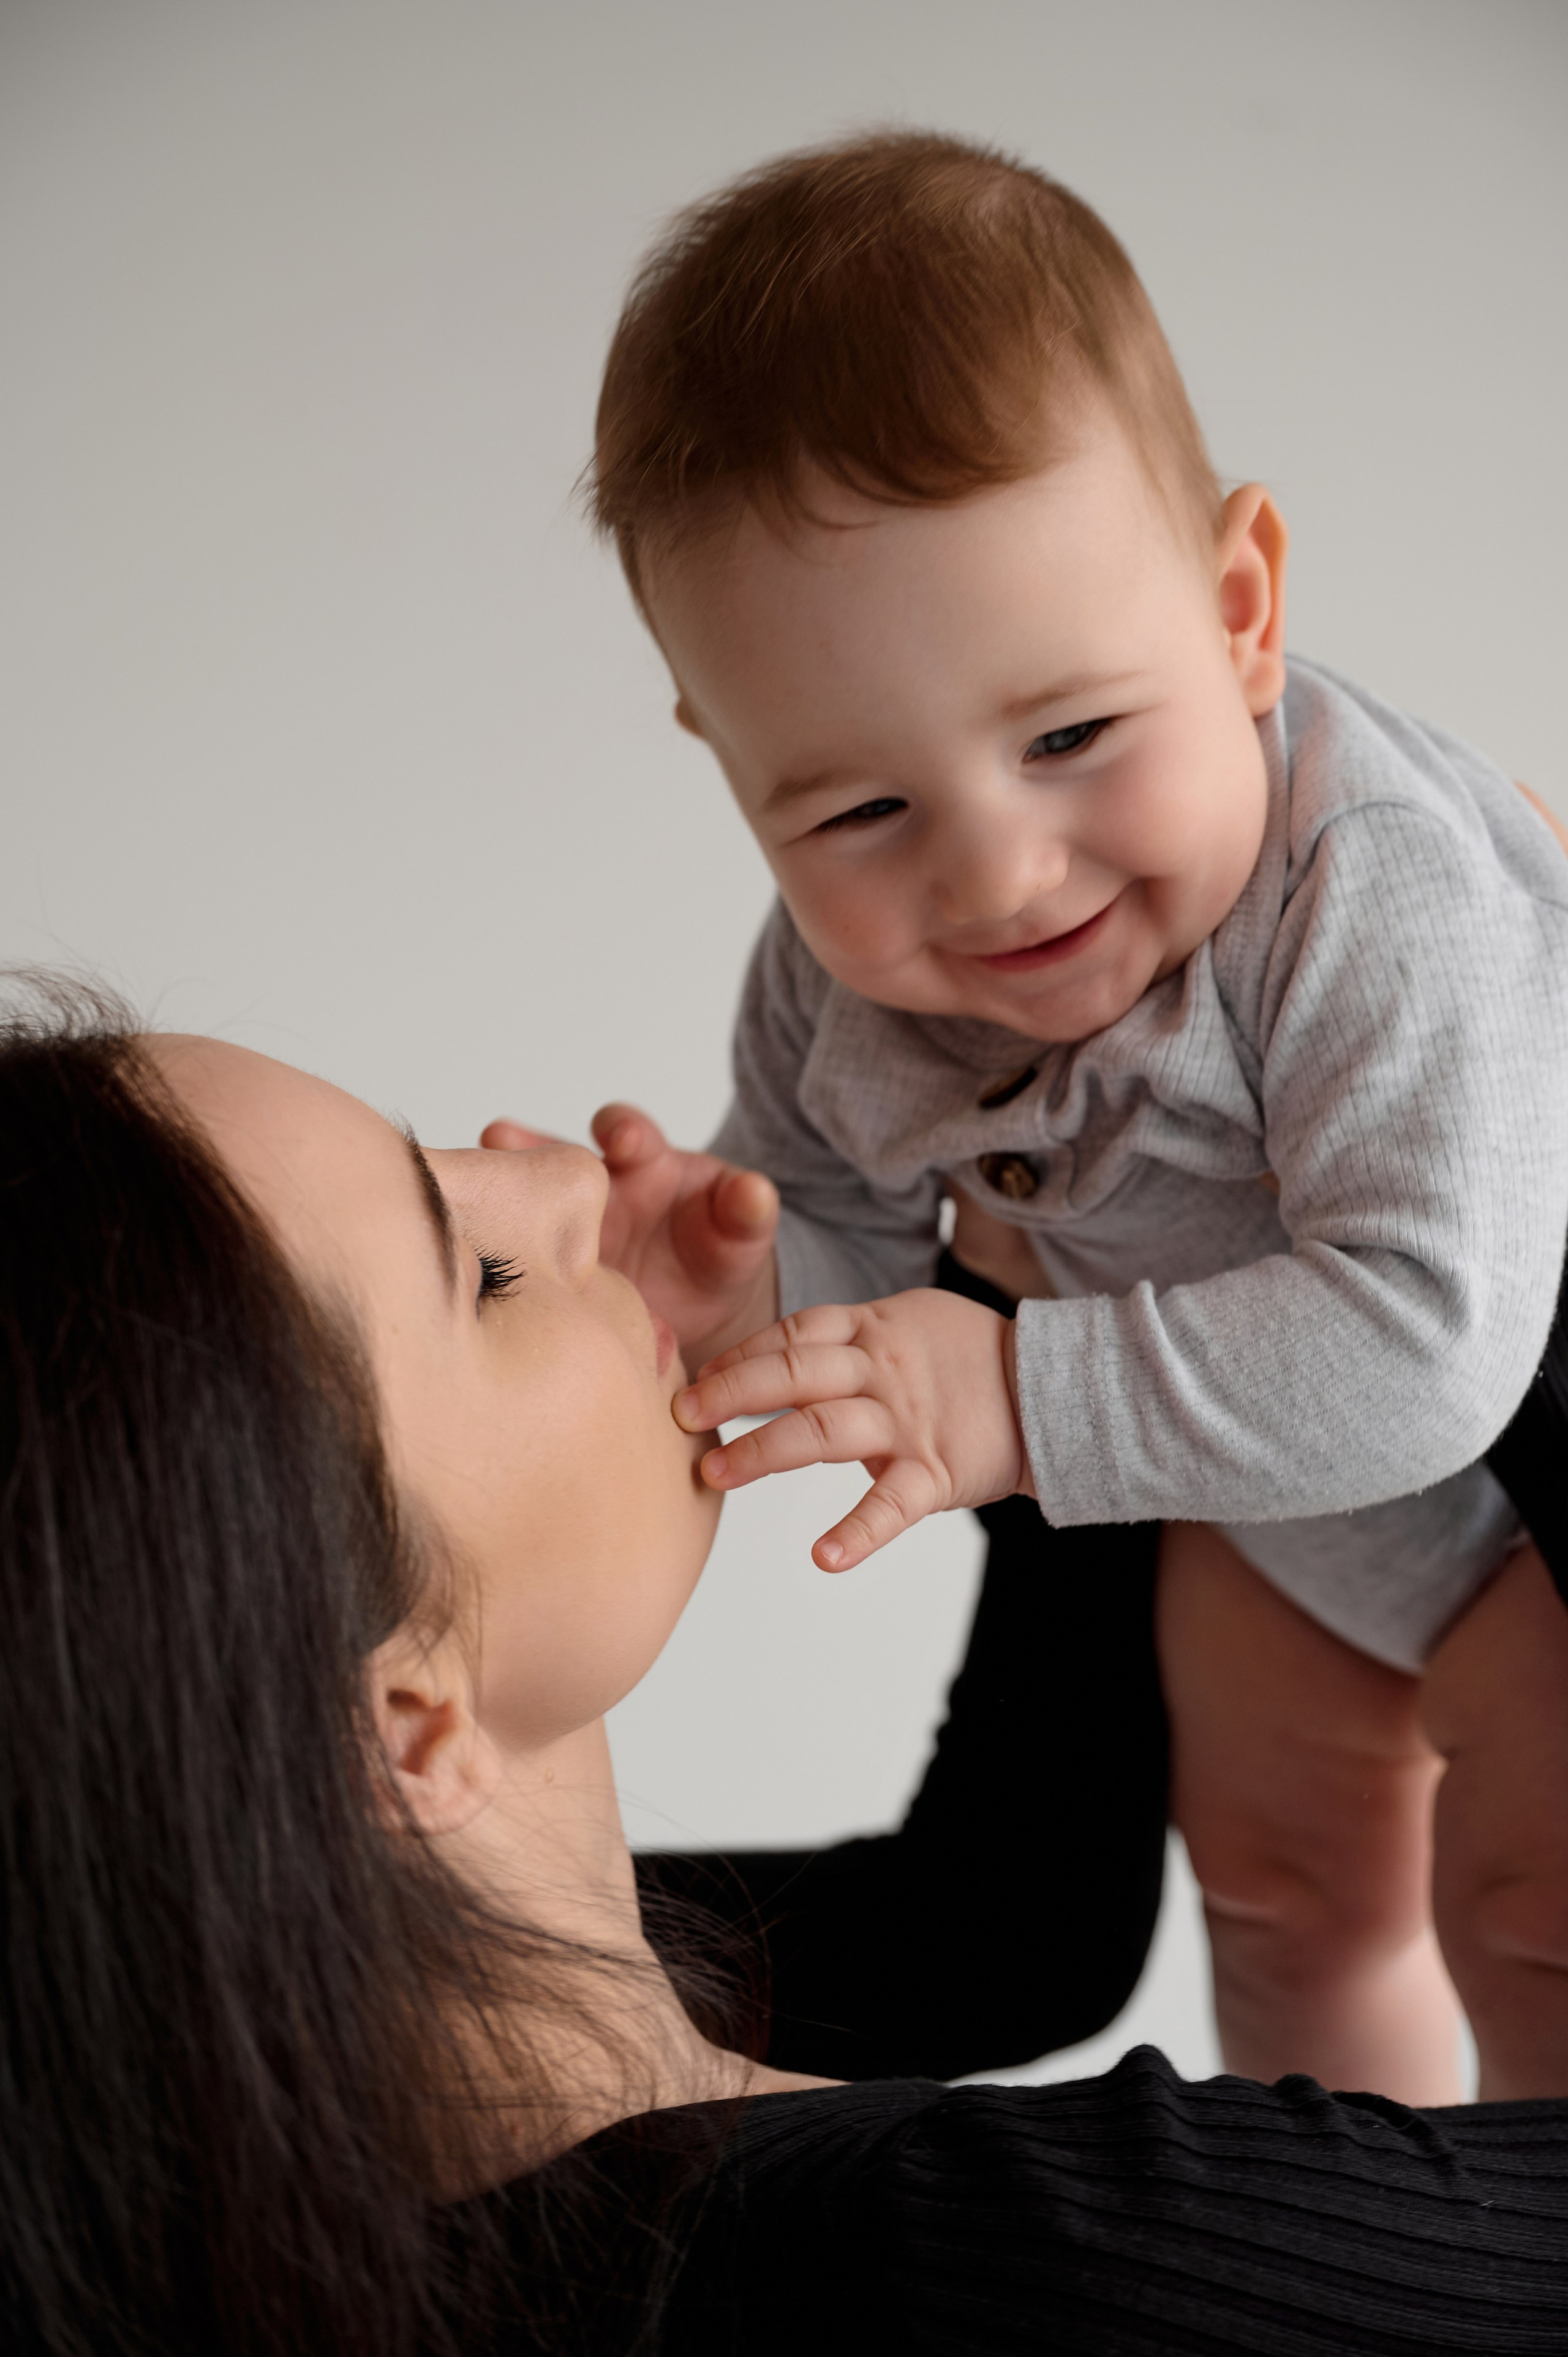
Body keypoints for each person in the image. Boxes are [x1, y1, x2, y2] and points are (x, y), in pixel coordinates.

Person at [7, 988, 1568, 2357]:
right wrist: (1462, 1147)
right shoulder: (1005, 2268)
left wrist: (1038, 1335)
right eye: (481, 1272)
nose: (559, 1171)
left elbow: (1014, 1925)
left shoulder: (247, 2179)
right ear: (396, 1728)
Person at [536, 127, 1568, 2106]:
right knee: (1272, 1882)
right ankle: (1348, 2243)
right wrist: (739, 1272)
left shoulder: (1376, 891)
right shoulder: (837, 983)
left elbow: (1433, 1338)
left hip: (1526, 1501)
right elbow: (850, 1247)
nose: (997, 875)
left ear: (1242, 603)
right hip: (1291, 1512)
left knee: (1531, 1895)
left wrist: (1012, 1400)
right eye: (855, 809)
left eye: (1071, 734)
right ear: (727, 760)